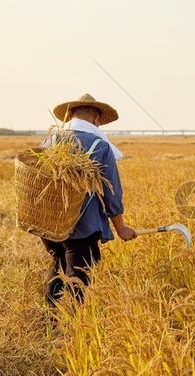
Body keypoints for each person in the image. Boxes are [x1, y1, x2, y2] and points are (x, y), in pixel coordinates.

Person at [41, 93, 136, 306]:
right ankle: (77, 325)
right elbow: (112, 193)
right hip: (82, 224)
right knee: (79, 274)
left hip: (49, 221)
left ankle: (50, 320)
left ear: (71, 115)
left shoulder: (50, 141)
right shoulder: (99, 146)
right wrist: (120, 228)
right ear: (95, 119)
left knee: (59, 261)